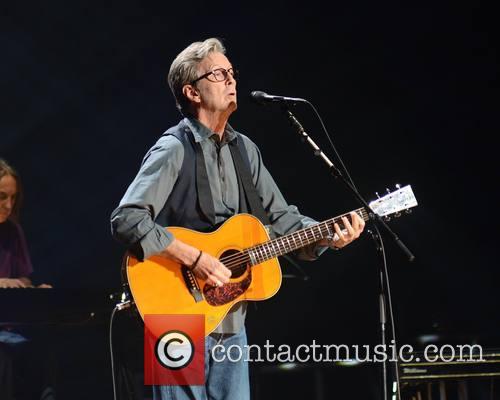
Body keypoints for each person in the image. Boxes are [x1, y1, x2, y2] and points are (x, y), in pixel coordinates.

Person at [110, 38, 365, 400]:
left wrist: (327, 236)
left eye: (232, 73)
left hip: (231, 320)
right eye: (218, 73)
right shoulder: (173, 148)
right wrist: (195, 257)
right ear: (192, 92)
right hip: (176, 315)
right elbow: (126, 218)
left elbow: (281, 221)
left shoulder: (245, 150)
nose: (231, 80)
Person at [0, 159, 55, 400]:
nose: (8, 205)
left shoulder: (13, 231)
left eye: (13, 198)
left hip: (9, 327)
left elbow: (21, 279)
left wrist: (34, 290)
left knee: (44, 350)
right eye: (2, 197)